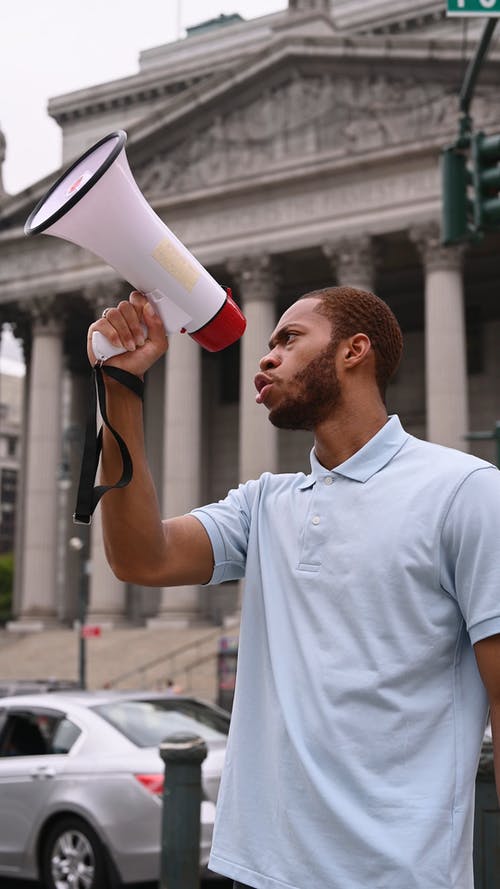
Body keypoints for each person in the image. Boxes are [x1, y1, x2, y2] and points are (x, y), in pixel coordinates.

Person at [87, 285, 500, 889]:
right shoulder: (264, 505)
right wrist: (121, 389)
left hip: (397, 875)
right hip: (255, 870)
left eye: (288, 339)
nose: (265, 356)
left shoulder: (466, 490)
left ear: (354, 350)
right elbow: (140, 558)